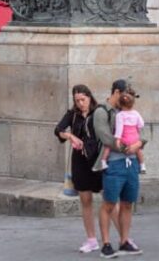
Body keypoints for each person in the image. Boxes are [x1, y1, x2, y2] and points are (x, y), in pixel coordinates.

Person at [93, 79, 143, 257]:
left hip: (131, 163)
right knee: (109, 203)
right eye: (126, 94)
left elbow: (140, 133)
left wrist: (138, 144)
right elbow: (106, 138)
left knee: (127, 203)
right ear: (116, 92)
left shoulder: (129, 111)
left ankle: (124, 241)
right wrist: (126, 147)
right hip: (113, 163)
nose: (128, 97)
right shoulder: (102, 111)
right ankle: (106, 244)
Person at [55, 84, 103, 253]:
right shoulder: (73, 114)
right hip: (80, 162)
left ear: (90, 97)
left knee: (110, 200)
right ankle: (91, 240)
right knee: (86, 200)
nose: (81, 103)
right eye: (77, 100)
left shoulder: (99, 112)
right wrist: (70, 136)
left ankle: (122, 237)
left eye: (83, 99)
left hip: (98, 160)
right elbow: (58, 129)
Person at [99, 92, 146, 175]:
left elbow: (119, 129)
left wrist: (117, 140)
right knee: (138, 150)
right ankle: (142, 165)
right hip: (134, 139)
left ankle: (103, 162)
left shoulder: (120, 115)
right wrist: (136, 128)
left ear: (120, 104)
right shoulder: (136, 113)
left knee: (108, 145)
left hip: (124, 139)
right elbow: (141, 124)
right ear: (132, 104)